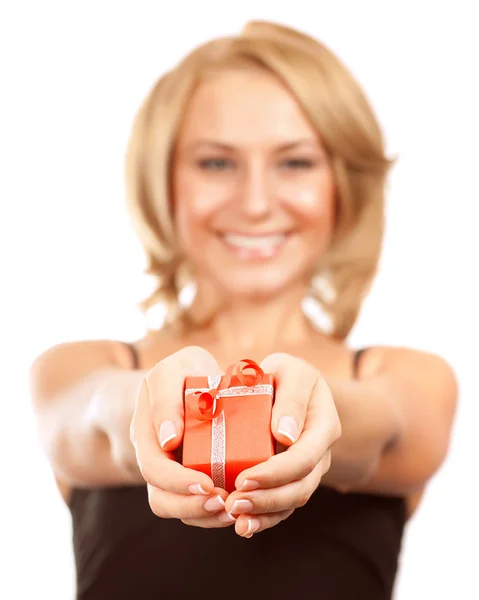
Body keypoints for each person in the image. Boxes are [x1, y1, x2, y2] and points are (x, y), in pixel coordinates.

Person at [29, 20, 458, 600]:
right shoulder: (75, 368)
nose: (256, 203)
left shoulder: (410, 378)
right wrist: (153, 409)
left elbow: (383, 427)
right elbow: (96, 418)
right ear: (164, 182)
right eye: (216, 163)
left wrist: (317, 414)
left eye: (296, 162)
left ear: (342, 184)